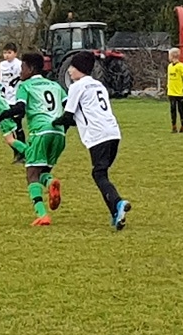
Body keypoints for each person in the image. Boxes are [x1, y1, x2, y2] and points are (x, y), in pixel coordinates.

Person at [53, 50, 131, 231]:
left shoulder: (77, 87)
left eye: (72, 67)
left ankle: (118, 203)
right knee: (102, 173)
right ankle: (116, 214)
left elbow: (67, 117)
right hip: (113, 133)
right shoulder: (99, 85)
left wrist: (52, 123)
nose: (69, 71)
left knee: (99, 174)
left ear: (80, 69)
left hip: (98, 136)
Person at [0, 53, 66, 226]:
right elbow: (69, 107)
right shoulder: (55, 85)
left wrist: (1, 116)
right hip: (59, 133)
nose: (20, 72)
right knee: (42, 171)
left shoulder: (25, 86)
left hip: (40, 132)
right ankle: (50, 182)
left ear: (31, 69)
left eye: (22, 68)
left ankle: (42, 214)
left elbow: (20, 108)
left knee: (32, 174)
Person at [0, 44, 26, 162]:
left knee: (17, 126)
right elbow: (2, 80)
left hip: (16, 99)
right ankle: (16, 152)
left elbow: (22, 78)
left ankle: (23, 153)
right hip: (6, 100)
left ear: (15, 53)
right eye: (5, 53)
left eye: (9, 52)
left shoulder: (19, 64)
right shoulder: (2, 65)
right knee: (9, 127)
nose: (7, 55)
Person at [167, 47, 183, 133]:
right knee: (172, 109)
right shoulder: (169, 66)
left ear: (172, 56)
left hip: (180, 92)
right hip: (171, 92)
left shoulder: (181, 66)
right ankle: (174, 127)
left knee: (180, 109)